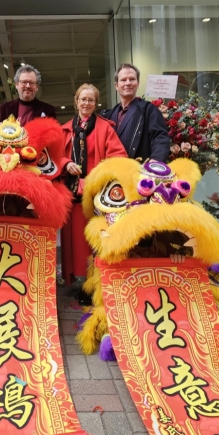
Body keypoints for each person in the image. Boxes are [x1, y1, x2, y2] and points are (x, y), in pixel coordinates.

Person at [61, 84, 127, 285]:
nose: (86, 103)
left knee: (92, 240)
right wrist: (66, 163)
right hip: (70, 194)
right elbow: (54, 157)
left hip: (95, 195)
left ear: (95, 103)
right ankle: (75, 279)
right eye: (83, 99)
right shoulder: (64, 129)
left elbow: (119, 156)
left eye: (91, 100)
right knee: (72, 241)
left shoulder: (105, 128)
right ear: (77, 101)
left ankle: (94, 282)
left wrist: (98, 174)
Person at [102, 64, 170, 163]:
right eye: (123, 80)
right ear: (116, 86)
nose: (128, 83)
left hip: (140, 172)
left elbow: (160, 138)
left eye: (132, 79)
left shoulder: (149, 110)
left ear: (138, 83)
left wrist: (155, 161)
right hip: (113, 173)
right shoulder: (107, 116)